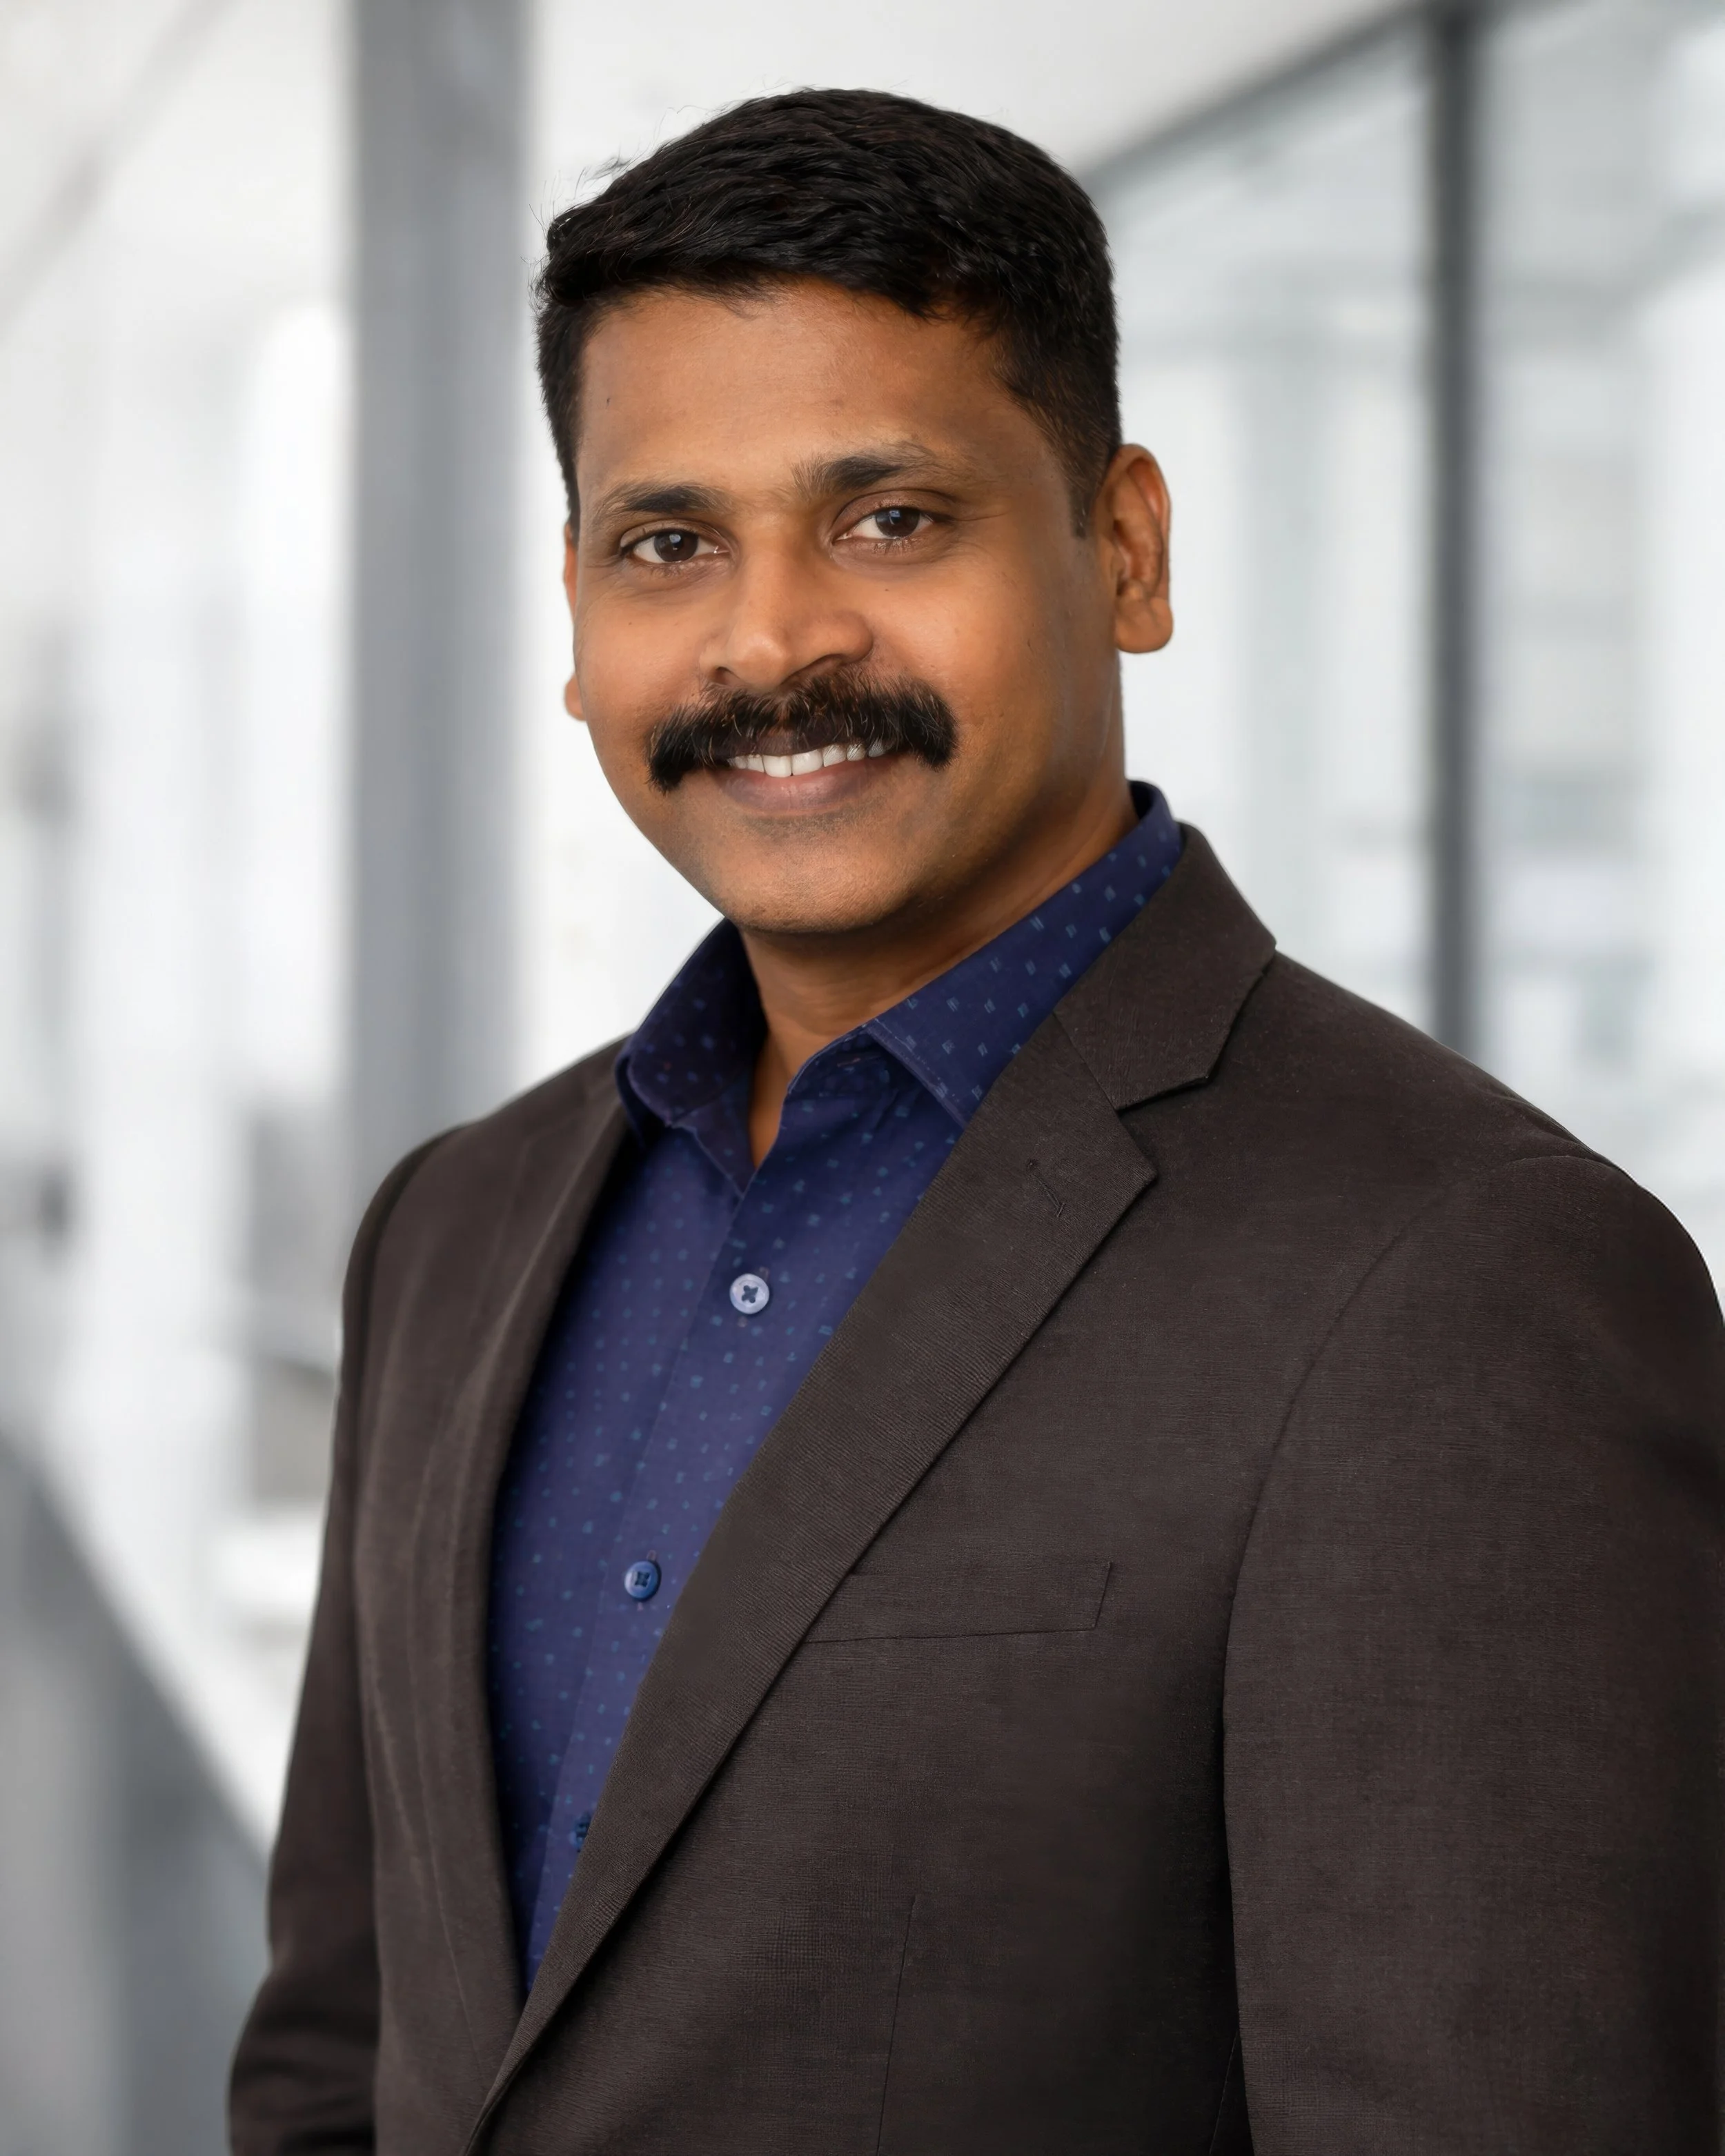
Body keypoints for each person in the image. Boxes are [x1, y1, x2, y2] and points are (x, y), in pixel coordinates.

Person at [229, 88, 1724, 2156]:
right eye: (670, 543)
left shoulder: (1459, 1278)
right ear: (575, 614)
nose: (771, 641)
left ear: (1121, 547)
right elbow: (344, 2041)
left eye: (889, 519)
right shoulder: (455, 1227)